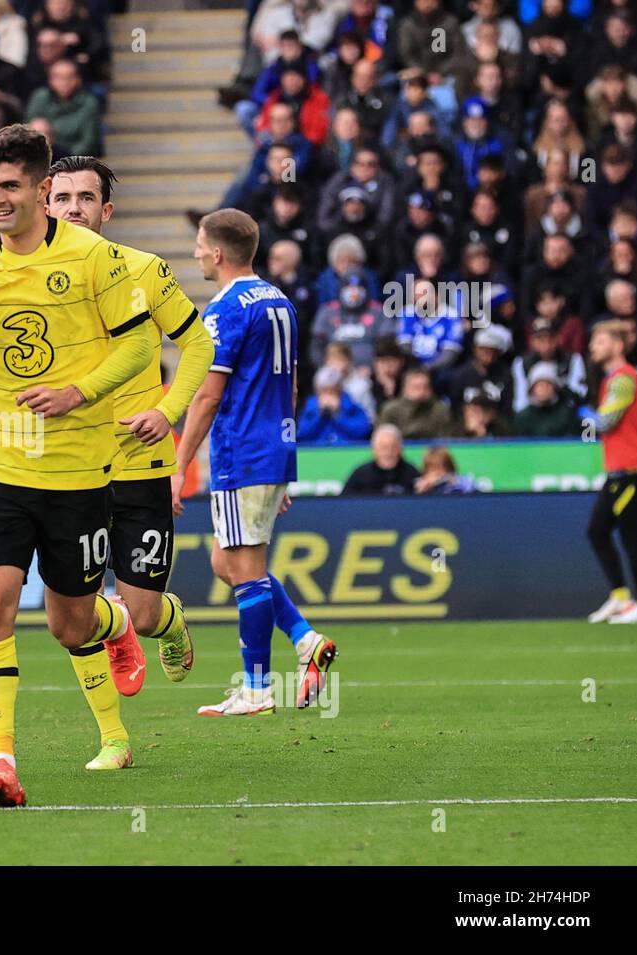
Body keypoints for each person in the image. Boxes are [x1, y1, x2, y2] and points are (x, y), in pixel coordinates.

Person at [0, 125, 154, 807]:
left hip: (77, 470)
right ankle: (2, 760)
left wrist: (79, 391)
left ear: (44, 190)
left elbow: (140, 352)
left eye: (10, 186)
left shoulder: (91, 257)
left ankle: (116, 625)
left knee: (69, 623)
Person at [46, 155, 212, 692]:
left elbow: (198, 345)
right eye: (64, 198)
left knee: (142, 612)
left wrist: (166, 412)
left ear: (107, 210)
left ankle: (167, 621)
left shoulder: (145, 270)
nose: (74, 209)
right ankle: (111, 736)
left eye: (86, 198)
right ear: (46, 203)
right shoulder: (25, 275)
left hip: (140, 460)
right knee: (77, 615)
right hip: (69, 464)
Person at [175, 208, 337, 720]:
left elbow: (206, 396)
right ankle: (305, 640)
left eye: (201, 244)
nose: (197, 252)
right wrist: (281, 459)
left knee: (244, 570)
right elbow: (289, 383)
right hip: (272, 446)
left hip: (242, 450)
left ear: (219, 252)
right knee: (229, 562)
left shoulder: (224, 310)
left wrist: (179, 465)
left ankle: (257, 688)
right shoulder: (279, 300)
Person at [584, 323, 637, 624]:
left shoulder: (623, 380)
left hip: (632, 469)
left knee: (632, 536)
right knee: (597, 530)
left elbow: (605, 423)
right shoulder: (612, 380)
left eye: (600, 340)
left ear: (618, 345)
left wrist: (584, 413)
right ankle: (621, 597)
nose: (593, 346)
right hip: (619, 470)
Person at [298, 364, 373, 444]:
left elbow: (363, 431)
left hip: (347, 452)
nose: (329, 396)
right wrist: (319, 414)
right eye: (325, 391)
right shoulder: (310, 409)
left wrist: (338, 415)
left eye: (333, 391)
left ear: (340, 391)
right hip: (316, 453)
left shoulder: (352, 407)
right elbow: (301, 434)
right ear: (317, 391)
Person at [342, 423, 421, 495]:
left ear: (400, 449)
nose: (389, 452)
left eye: (393, 447)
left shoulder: (411, 472)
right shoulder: (361, 474)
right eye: (384, 447)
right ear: (374, 449)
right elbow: (345, 502)